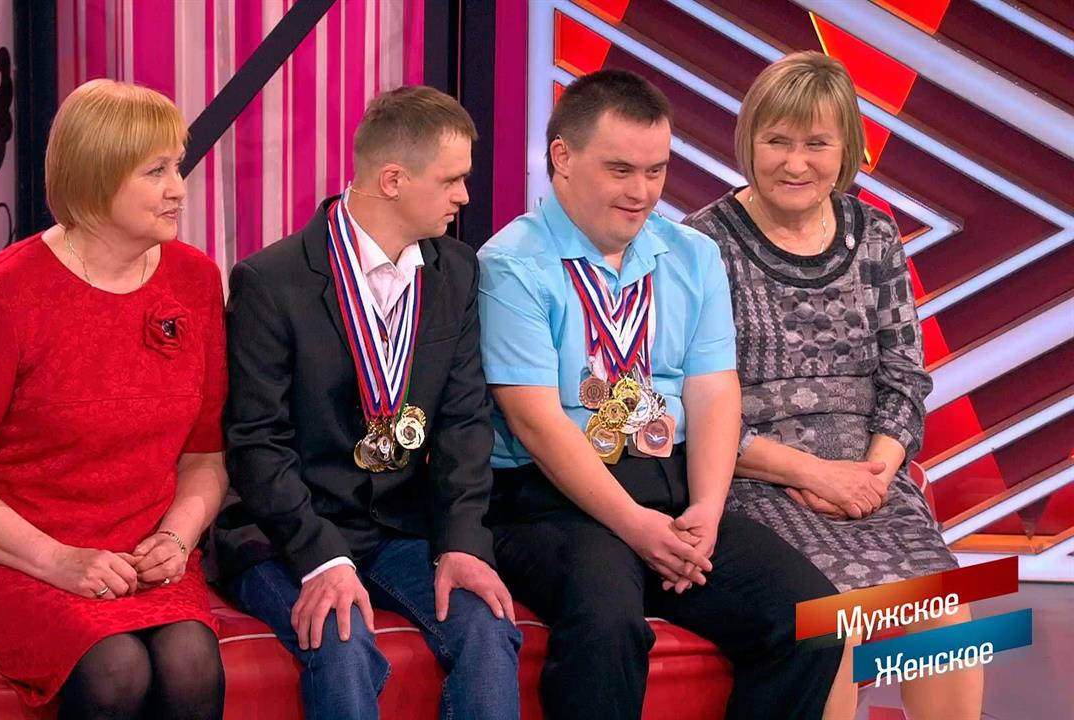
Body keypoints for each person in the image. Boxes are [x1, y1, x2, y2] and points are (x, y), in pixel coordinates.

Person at [478, 68, 843, 719]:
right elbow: (534, 422)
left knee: (812, 620)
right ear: (562, 157)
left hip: (670, 486)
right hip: (551, 502)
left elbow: (714, 391)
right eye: (621, 170)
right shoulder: (511, 264)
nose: (641, 192)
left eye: (656, 171)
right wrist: (634, 525)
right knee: (607, 625)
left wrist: (706, 509)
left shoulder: (692, 254)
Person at [0, 79, 227, 720]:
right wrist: (55, 560)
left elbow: (205, 457)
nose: (179, 190)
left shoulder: (195, 280)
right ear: (96, 177)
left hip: (138, 552)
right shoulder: (6, 295)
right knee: (115, 669)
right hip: (3, 552)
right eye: (156, 171)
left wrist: (176, 537)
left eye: (177, 167)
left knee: (191, 663)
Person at [204, 85, 521, 720]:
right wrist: (321, 556)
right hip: (286, 531)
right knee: (341, 636)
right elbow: (256, 443)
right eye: (451, 180)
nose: (465, 196)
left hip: (400, 527)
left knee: (487, 625)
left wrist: (462, 541)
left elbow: (463, 424)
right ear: (393, 180)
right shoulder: (271, 281)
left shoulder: (456, 271)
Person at [684, 51, 983, 720]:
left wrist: (872, 475)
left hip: (869, 480)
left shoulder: (875, 234)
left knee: (947, 614)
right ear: (749, 140)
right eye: (777, 141)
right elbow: (690, 404)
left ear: (846, 148)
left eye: (816, 143)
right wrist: (815, 475)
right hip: (758, 480)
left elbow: (904, 376)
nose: (795, 163)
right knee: (833, 621)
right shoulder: (700, 244)